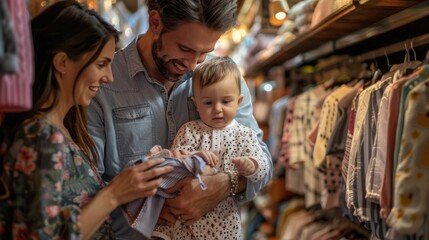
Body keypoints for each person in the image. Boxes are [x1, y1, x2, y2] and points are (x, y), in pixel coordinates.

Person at [87, 0, 273, 238]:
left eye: (205, 53)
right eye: (185, 49)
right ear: (155, 22)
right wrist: (139, 209)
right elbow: (87, 189)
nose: (193, 65)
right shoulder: (105, 82)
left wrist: (225, 185)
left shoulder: (225, 79)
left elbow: (263, 161)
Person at [0, 1, 173, 239]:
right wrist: (113, 194)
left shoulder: (64, 129)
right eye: (101, 64)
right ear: (62, 63)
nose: (109, 78)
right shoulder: (42, 135)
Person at [152, 56, 270, 239]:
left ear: (239, 102)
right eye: (208, 102)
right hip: (185, 225)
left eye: (226, 101)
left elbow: (263, 164)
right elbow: (174, 164)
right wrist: (193, 157)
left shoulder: (244, 135)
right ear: (196, 103)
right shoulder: (189, 131)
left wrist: (252, 165)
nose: (217, 109)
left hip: (225, 221)